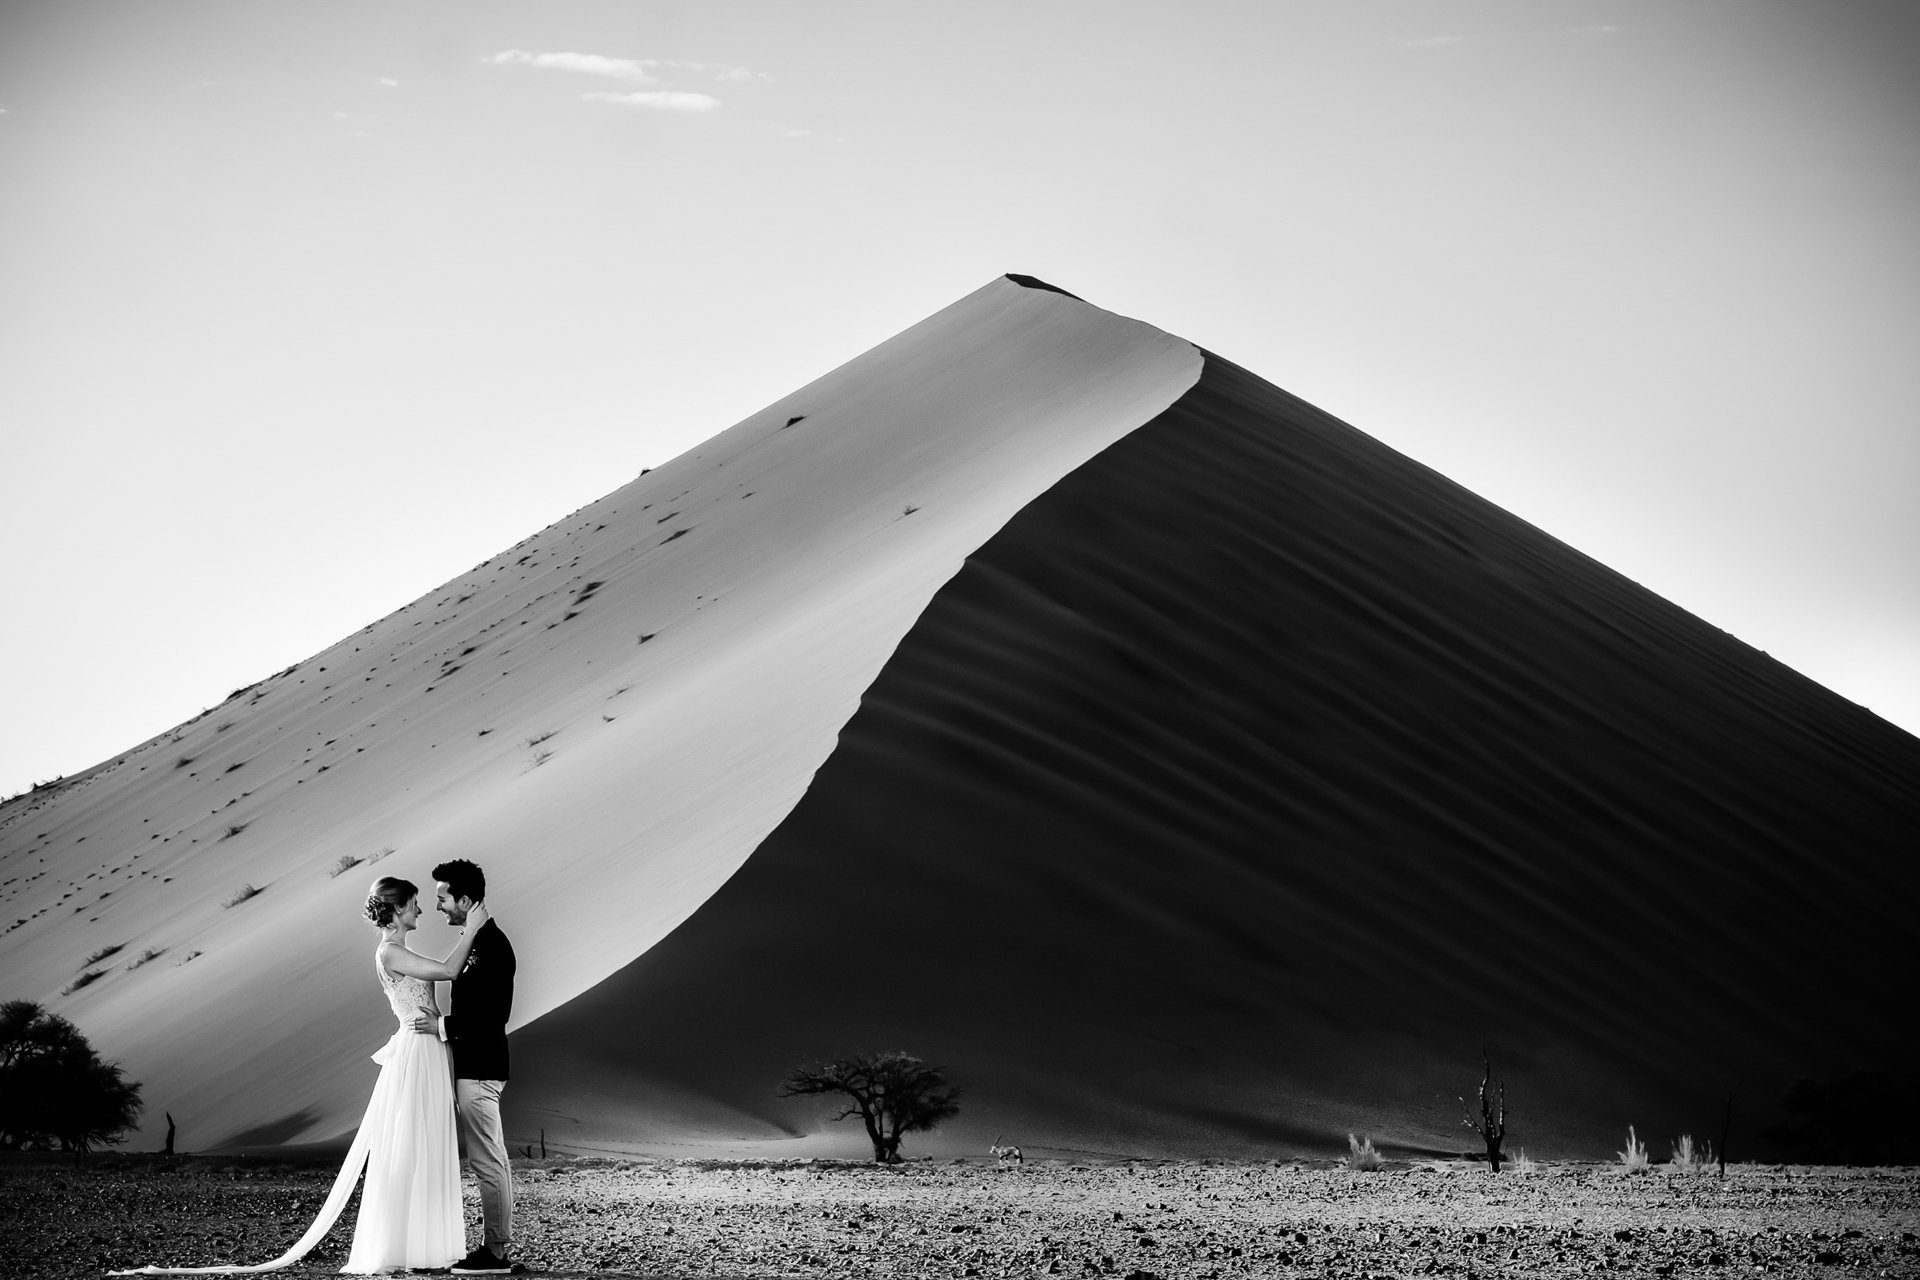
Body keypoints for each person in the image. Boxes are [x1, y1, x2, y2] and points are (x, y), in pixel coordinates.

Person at [110, 876, 486, 1274]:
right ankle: (405, 1247)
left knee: (427, 1143)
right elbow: (448, 970)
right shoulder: (390, 953)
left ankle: (426, 1245)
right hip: (416, 1053)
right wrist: (473, 930)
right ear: (395, 910)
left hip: (431, 1050)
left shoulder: (401, 950)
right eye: (413, 904)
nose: (420, 910)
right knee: (411, 1145)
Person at [411, 859, 517, 1276]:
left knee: (488, 1160)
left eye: (443, 898)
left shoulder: (492, 946)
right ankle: (495, 1249)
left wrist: (441, 1025)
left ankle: (494, 1254)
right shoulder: (476, 941)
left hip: (481, 1069)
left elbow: (495, 1014)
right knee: (490, 1158)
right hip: (474, 1066)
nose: (438, 907)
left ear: (466, 900)